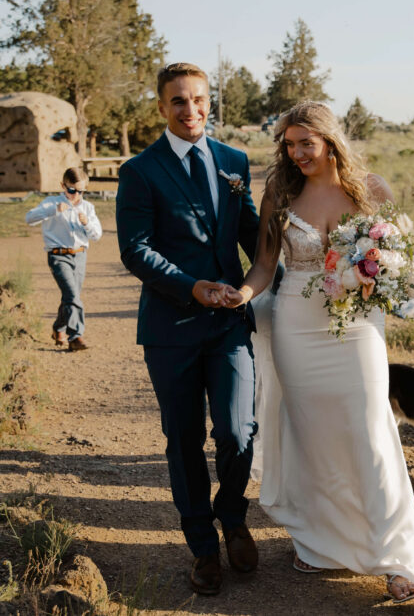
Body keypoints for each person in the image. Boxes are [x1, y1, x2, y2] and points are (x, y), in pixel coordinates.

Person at [225, 101, 414, 603]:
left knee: (369, 432)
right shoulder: (280, 191)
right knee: (313, 438)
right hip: (296, 323)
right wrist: (243, 294)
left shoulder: (372, 190)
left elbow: (396, 262)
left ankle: (395, 555)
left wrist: (378, 278)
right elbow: (266, 264)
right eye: (289, 145)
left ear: (330, 141)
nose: (296, 154)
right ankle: (320, 542)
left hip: (358, 327)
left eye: (305, 144)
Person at [116, 63, 260, 596]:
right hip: (170, 325)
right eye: (179, 100)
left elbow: (253, 237)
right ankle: (202, 545)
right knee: (183, 440)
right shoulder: (140, 170)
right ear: (161, 106)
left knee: (237, 431)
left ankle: (233, 516)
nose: (191, 109)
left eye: (199, 99)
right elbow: (135, 249)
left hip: (228, 324)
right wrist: (191, 285)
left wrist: (294, 286)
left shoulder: (233, 161)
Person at [26, 166, 102, 351]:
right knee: (72, 295)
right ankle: (75, 336)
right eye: (72, 190)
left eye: (81, 191)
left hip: (80, 255)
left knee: (70, 296)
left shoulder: (88, 207)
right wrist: (53, 210)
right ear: (63, 186)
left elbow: (96, 235)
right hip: (58, 256)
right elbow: (29, 218)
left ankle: (58, 328)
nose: (76, 195)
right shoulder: (51, 202)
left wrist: (87, 223)